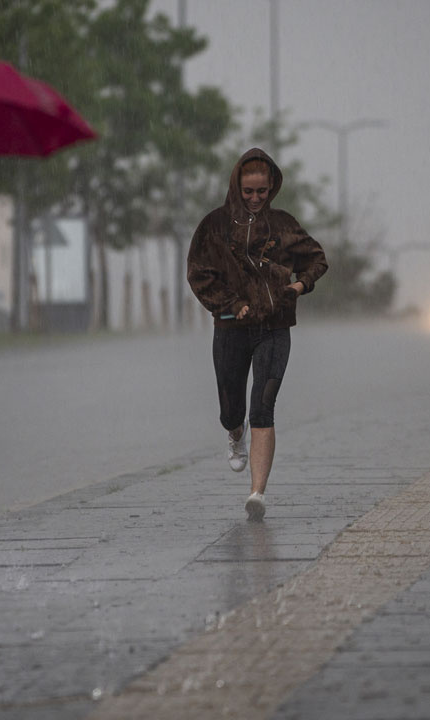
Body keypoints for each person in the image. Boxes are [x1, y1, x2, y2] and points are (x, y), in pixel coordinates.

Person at [187, 148, 328, 520]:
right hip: (231, 328)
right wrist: (232, 303)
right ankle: (235, 434)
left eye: (262, 191)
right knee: (232, 408)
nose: (254, 198)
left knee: (264, 405)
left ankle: (257, 493)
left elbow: (317, 258)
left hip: (275, 327)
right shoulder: (214, 226)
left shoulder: (283, 225)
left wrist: (300, 287)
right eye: (248, 191)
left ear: (271, 188)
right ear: (236, 186)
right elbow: (199, 274)